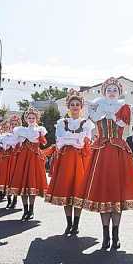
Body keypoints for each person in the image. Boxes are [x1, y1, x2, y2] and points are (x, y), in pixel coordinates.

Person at [74, 77, 133, 249]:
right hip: (101, 153)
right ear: (104, 93)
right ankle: (105, 234)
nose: (112, 93)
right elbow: (92, 123)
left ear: (119, 93)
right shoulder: (96, 106)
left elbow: (123, 122)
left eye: (115, 90)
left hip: (118, 153)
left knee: (118, 192)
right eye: (109, 90)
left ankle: (116, 234)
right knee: (103, 193)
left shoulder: (125, 108)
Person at [45, 89, 94, 234]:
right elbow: (60, 139)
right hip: (66, 160)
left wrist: (70, 138)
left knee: (78, 190)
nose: (74, 106)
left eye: (77, 104)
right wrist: (75, 138)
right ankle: (69, 222)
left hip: (79, 160)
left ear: (81, 107)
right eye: (72, 104)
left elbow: (85, 140)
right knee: (67, 190)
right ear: (69, 107)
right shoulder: (62, 122)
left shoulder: (86, 123)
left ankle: (76, 224)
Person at [6, 107, 49, 221]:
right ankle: (25, 210)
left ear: (37, 119)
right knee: (22, 184)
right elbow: (16, 140)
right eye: (29, 118)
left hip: (34, 158)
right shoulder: (21, 130)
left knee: (32, 182)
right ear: (26, 119)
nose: (31, 119)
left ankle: (31, 209)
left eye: (33, 118)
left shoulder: (39, 130)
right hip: (23, 158)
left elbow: (35, 138)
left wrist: (24, 135)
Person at [0, 116, 22, 208]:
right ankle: (8, 199)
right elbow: (1, 147)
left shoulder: (22, 136)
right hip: (7, 159)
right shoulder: (5, 136)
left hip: (16, 159)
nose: (14, 126)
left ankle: (15, 199)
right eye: (12, 124)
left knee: (15, 178)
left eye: (16, 124)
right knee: (7, 179)